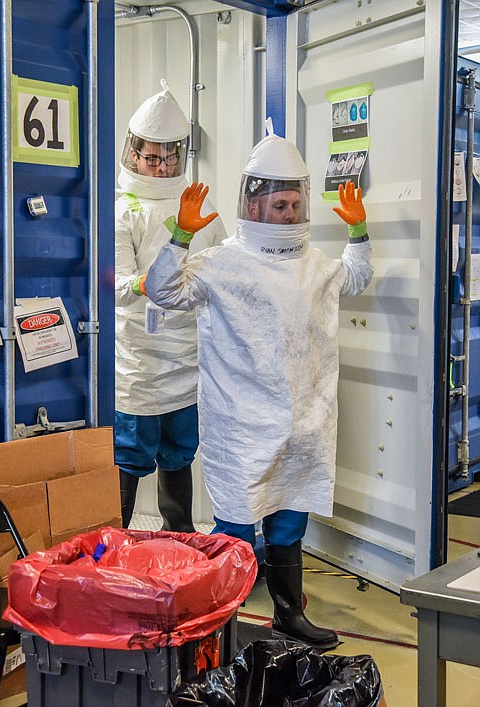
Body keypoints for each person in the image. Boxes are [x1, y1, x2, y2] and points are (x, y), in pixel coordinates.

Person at [146, 122, 373, 650]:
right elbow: (163, 290)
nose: (288, 214)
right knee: (236, 529)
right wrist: (179, 237)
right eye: (279, 206)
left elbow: (356, 279)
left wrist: (359, 235)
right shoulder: (222, 261)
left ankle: (288, 617)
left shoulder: (317, 265)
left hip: (304, 424)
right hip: (243, 426)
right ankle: (217, 630)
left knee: (289, 524)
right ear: (253, 206)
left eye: (295, 204)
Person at [114, 80, 227, 533]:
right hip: (138, 362)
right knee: (129, 456)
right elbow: (117, 287)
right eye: (151, 156)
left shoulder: (200, 205)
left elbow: (219, 269)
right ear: (134, 154)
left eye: (170, 157)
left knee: (180, 454)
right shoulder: (123, 208)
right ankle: (111, 547)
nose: (161, 166)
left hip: (186, 361)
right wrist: (157, 282)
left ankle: (179, 543)